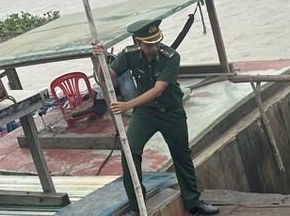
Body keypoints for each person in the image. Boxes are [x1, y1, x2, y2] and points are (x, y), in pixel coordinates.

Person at [92, 19, 219, 216]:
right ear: (138, 42)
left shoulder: (171, 57)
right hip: (146, 113)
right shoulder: (129, 54)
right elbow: (105, 77)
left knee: (182, 156)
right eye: (149, 44)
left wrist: (128, 105)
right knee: (130, 152)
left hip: (172, 113)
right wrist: (99, 59)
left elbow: (159, 90)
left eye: (157, 42)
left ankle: (194, 203)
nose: (154, 47)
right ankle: (137, 207)